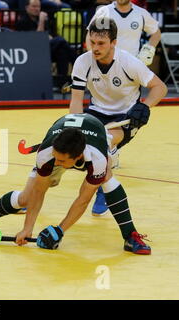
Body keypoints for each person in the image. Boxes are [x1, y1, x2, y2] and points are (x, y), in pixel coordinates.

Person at [0, 113, 152, 255]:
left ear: (78, 157)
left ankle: (130, 236)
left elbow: (83, 199)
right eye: (56, 158)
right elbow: (39, 191)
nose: (57, 163)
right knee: (25, 198)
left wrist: (59, 230)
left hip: (97, 134)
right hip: (64, 129)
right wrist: (28, 228)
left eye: (61, 161)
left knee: (107, 178)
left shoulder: (96, 158)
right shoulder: (47, 154)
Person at [70, 17, 167, 215]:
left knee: (102, 144)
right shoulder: (82, 62)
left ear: (114, 43)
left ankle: (102, 190)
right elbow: (76, 101)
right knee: (62, 146)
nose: (95, 48)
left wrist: (145, 107)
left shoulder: (130, 63)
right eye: (92, 42)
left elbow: (160, 87)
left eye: (101, 43)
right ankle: (31, 194)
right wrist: (74, 126)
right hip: (96, 112)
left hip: (126, 116)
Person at [16, 0, 76, 89]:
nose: (36, 9)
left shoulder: (44, 19)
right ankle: (76, 62)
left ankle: (62, 83)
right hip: (32, 52)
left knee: (62, 51)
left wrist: (48, 36)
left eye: (38, 7)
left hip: (48, 49)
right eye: (34, 6)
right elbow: (37, 40)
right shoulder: (23, 21)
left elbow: (52, 35)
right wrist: (41, 22)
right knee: (61, 41)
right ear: (27, 8)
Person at [86, 0, 161, 65]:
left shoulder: (141, 13)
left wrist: (147, 51)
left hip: (132, 66)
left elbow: (156, 33)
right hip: (107, 65)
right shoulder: (104, 11)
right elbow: (90, 36)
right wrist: (94, 56)